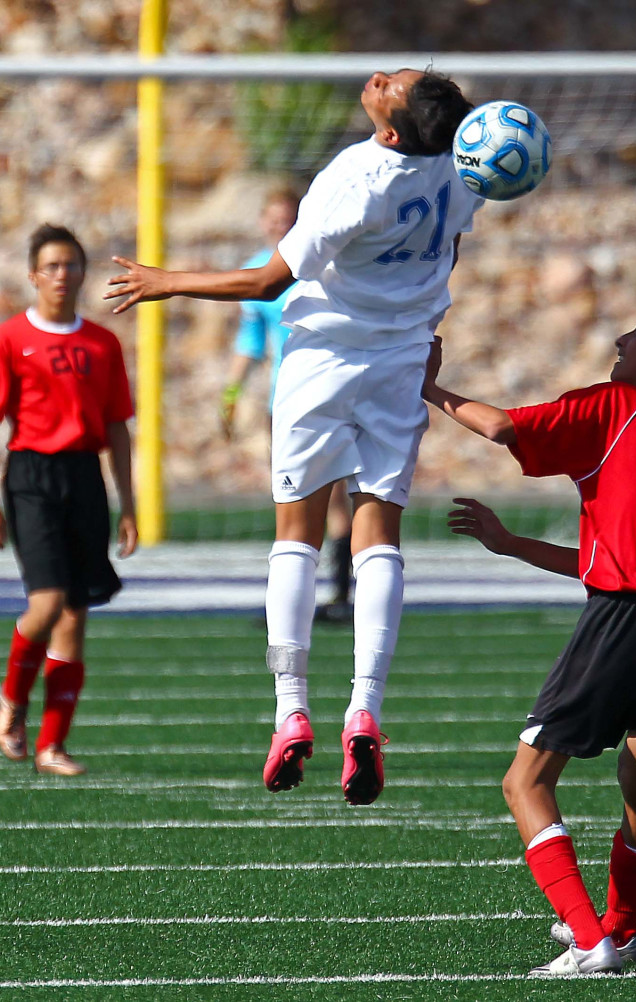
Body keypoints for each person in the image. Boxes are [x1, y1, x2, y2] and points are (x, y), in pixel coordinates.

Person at [105, 68, 482, 805]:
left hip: (322, 362)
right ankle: (366, 706)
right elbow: (455, 245)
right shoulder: (466, 168)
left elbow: (268, 284)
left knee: (296, 540)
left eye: (391, 87)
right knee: (379, 538)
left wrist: (167, 280)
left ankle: (289, 708)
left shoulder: (359, 180)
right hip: (401, 360)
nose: (378, 80)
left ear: (394, 129)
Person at [422, 303, 636, 976]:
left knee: (524, 781)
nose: (621, 339)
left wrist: (431, 390)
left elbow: (505, 426)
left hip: (632, 612)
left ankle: (589, 938)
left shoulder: (617, 404)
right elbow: (623, 553)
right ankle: (623, 931)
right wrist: (512, 545)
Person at [0, 223, 137, 776]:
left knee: (75, 613)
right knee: (45, 604)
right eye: (51, 266)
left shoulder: (101, 343)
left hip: (84, 478)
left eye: (71, 265)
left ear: (83, 272)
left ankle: (52, 746)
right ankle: (12, 698)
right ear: (33, 275)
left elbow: (117, 426)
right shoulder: (8, 339)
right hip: (30, 476)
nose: (62, 275)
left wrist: (128, 504)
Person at [219, 183, 354, 620]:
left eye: (287, 219)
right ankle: (295, 597)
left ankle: (339, 595)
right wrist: (232, 394)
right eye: (273, 219)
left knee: (333, 495)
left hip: (328, 395)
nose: (279, 226)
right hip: (284, 401)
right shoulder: (256, 271)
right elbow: (251, 342)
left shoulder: (323, 267)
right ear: (262, 222)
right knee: (290, 494)